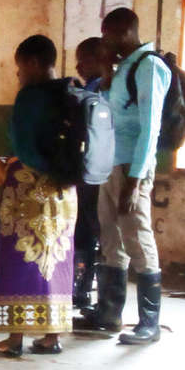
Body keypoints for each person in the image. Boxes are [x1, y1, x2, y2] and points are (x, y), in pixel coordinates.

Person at [75, 8, 169, 345]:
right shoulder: (122, 68)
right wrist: (106, 72)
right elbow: (105, 112)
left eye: (108, 35)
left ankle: (149, 324)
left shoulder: (149, 67)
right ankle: (109, 313)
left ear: (126, 32)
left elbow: (150, 129)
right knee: (111, 239)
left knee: (138, 238)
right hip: (110, 164)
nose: (104, 41)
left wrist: (135, 180)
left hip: (132, 168)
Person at [0, 35, 78, 357]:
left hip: (29, 190)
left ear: (34, 63)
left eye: (20, 67)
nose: (18, 75)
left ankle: (14, 340)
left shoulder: (30, 97)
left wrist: (7, 162)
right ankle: (52, 336)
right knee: (55, 259)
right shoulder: (72, 91)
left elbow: (24, 147)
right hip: (65, 192)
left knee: (20, 259)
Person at [71, 37, 109, 313]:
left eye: (82, 60)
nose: (78, 66)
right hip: (100, 171)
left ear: (97, 60)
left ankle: (82, 290)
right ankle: (84, 290)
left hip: (90, 172)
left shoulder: (97, 90)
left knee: (86, 230)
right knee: (91, 231)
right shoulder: (99, 88)